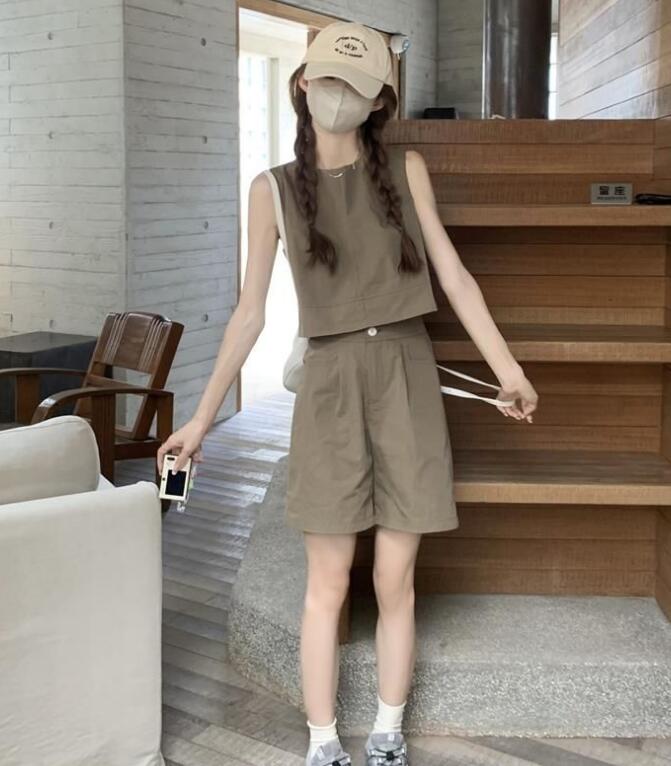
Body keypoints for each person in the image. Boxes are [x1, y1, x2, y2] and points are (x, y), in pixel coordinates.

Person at [157, 20, 538, 766]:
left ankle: (389, 733)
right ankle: (323, 741)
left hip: (406, 377)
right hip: (329, 385)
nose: (338, 96)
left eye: (355, 87)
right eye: (328, 80)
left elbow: (455, 277)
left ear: (378, 101)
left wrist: (508, 371)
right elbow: (249, 313)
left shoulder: (406, 169)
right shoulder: (271, 189)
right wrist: (200, 419)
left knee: (394, 578)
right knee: (327, 580)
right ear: (303, 83)